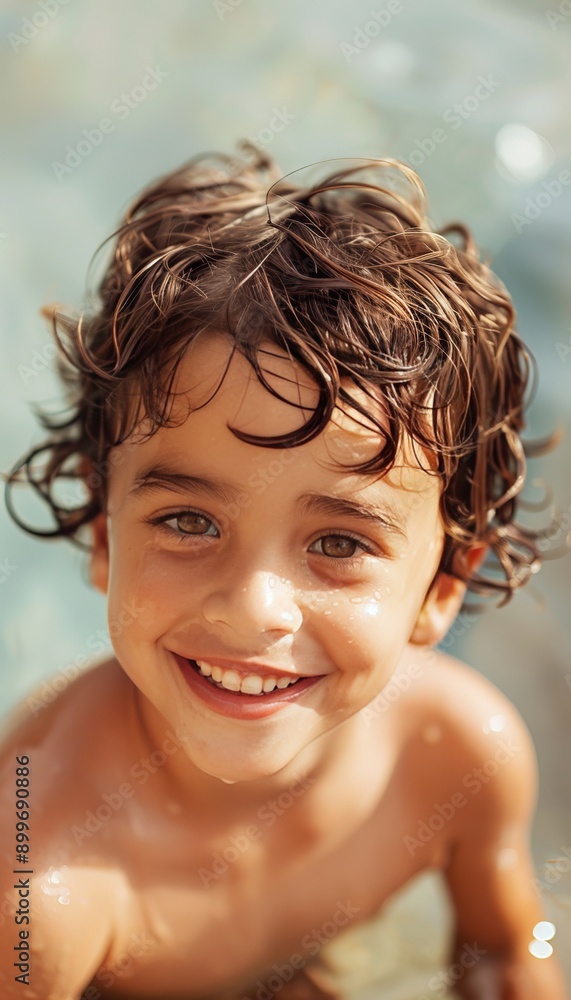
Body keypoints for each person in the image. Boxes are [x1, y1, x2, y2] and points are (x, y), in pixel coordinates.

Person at [0, 146, 567, 1000]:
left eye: (338, 544)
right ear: (103, 535)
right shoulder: (42, 897)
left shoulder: (458, 754)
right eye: (189, 522)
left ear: (444, 585)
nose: (254, 609)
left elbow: (502, 953)